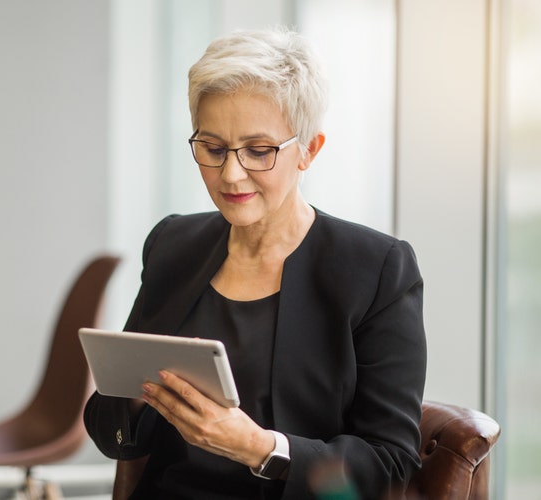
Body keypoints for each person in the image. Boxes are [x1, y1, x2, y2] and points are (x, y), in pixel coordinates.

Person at [84, 26, 427, 500]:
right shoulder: (173, 244)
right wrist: (144, 398)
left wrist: (261, 448)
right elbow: (109, 429)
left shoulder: (377, 270)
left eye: (259, 151)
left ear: (309, 149)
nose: (230, 173)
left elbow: (390, 466)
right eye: (213, 147)